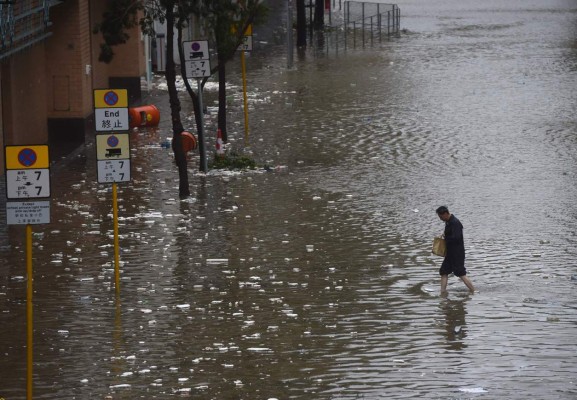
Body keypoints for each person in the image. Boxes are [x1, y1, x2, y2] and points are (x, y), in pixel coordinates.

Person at [436, 206, 475, 293]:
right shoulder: (448, 222)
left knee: (461, 273)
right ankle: (442, 292)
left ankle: (473, 290)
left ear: (446, 214)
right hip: (450, 253)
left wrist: (446, 238)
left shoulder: (455, 223)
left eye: (441, 217)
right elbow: (450, 234)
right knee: (443, 271)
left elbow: (456, 238)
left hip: (457, 253)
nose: (441, 219)